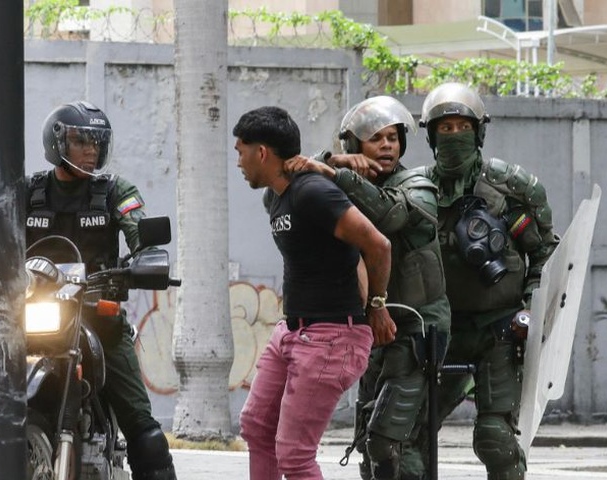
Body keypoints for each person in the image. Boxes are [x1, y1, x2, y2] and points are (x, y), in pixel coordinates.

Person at [0, 101, 177, 480]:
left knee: (143, 429)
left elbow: (139, 231)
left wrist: (146, 259)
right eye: (82, 140)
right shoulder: (26, 191)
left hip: (98, 317)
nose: (91, 150)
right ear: (57, 143)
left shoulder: (115, 190)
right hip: (32, 317)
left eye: (97, 142)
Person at [283, 96, 451, 480]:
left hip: (418, 330)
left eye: (393, 137)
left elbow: (391, 216)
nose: (388, 145)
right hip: (372, 331)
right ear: (355, 146)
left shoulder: (418, 184)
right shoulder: (344, 186)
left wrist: (339, 174)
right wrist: (334, 161)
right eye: (376, 138)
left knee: (389, 437)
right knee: (368, 436)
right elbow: (285, 188)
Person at [407, 83, 560, 480]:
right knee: (410, 435)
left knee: (495, 437)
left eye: (462, 126)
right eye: (445, 128)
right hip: (439, 330)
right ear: (430, 134)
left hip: (499, 329)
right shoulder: (415, 191)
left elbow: (546, 253)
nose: (454, 136)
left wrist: (529, 309)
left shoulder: (509, 190)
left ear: (479, 131)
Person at [233, 105, 394, 480]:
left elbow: (378, 245)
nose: (238, 161)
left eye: (241, 151)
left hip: (331, 337)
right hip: (292, 331)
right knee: (257, 427)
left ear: (261, 153)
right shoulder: (277, 196)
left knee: (294, 456)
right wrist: (332, 158)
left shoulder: (313, 192)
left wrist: (378, 306)